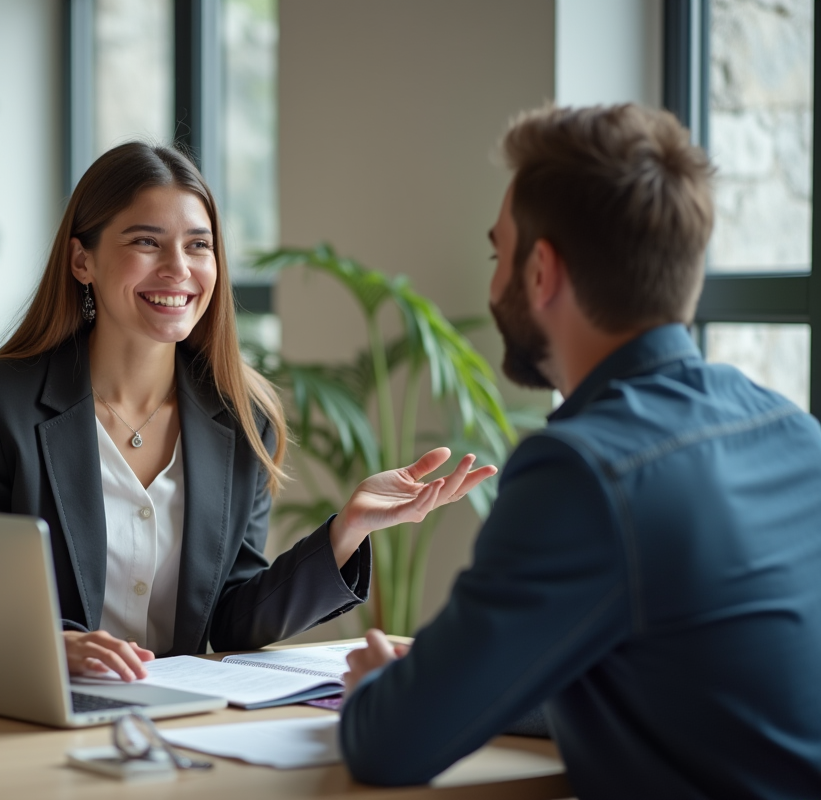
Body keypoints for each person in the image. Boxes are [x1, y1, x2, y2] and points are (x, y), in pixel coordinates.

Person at [340, 104, 821, 798]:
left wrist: (382, 689)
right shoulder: (794, 433)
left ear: (541, 272)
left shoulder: (583, 472)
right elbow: (694, 684)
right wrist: (477, 673)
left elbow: (389, 745)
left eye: (496, 254)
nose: (492, 282)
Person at [0, 142, 496, 681]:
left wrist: (345, 531)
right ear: (83, 260)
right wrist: (52, 646)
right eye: (147, 242)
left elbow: (231, 619)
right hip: (34, 725)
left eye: (199, 246)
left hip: (179, 727)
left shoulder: (242, 418)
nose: (179, 268)